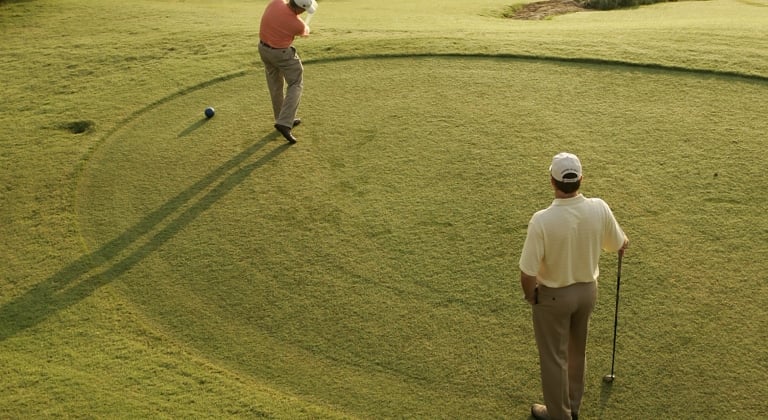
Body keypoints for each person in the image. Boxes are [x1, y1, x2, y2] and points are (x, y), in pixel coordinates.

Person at [519, 152, 629, 420]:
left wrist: (531, 295)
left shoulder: (542, 220)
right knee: (577, 350)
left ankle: (559, 415)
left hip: (553, 298)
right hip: (587, 292)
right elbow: (619, 244)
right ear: (581, 179)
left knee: (554, 358)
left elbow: (527, 272)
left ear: (552, 181)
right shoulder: (599, 207)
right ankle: (573, 406)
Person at [258, 0, 317, 144]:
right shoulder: (298, 24)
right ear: (300, 9)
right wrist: (305, 28)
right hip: (282, 54)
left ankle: (282, 118)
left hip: (263, 49)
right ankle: (284, 123)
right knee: (296, 83)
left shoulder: (276, 2)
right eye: (304, 10)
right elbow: (305, 33)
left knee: (275, 85)